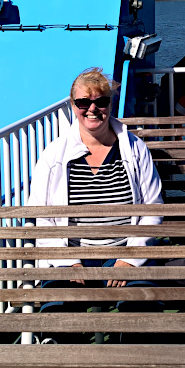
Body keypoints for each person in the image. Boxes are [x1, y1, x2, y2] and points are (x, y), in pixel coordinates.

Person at [26, 68, 163, 339]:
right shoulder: (54, 155)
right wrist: (69, 262)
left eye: (101, 102)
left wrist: (130, 258)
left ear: (110, 104)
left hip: (124, 252)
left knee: (139, 314)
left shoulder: (133, 148)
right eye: (83, 103)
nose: (92, 109)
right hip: (71, 255)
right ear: (72, 105)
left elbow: (153, 208)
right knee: (59, 320)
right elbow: (42, 218)